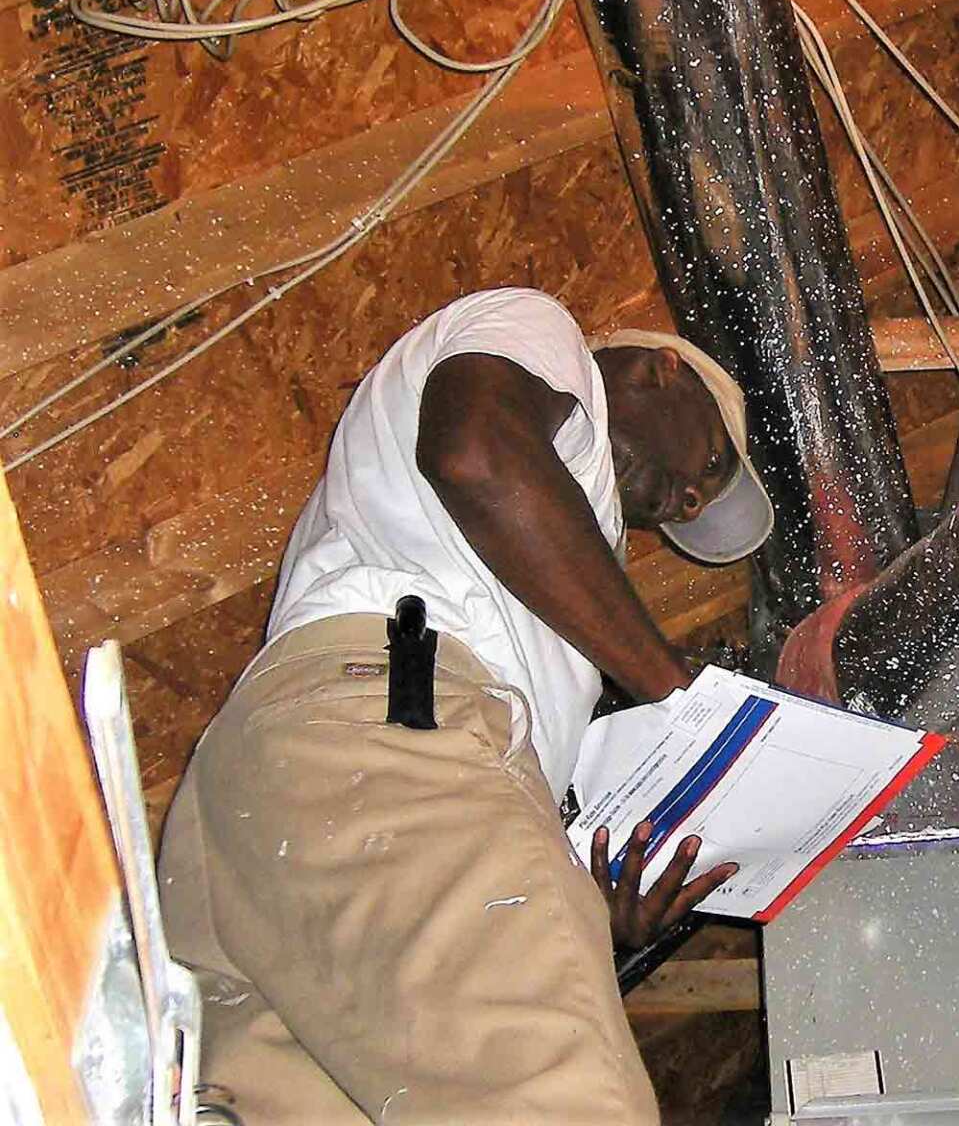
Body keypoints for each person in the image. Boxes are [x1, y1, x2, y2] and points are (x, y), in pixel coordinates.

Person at [158, 287, 777, 1125]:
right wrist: (672, 687)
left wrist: (591, 911)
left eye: (694, 508)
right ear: (662, 373)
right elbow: (474, 454)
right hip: (395, 704)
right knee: (561, 1102)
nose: (690, 502)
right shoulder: (538, 332)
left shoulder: (546, 585)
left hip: (261, 817)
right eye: (711, 463)